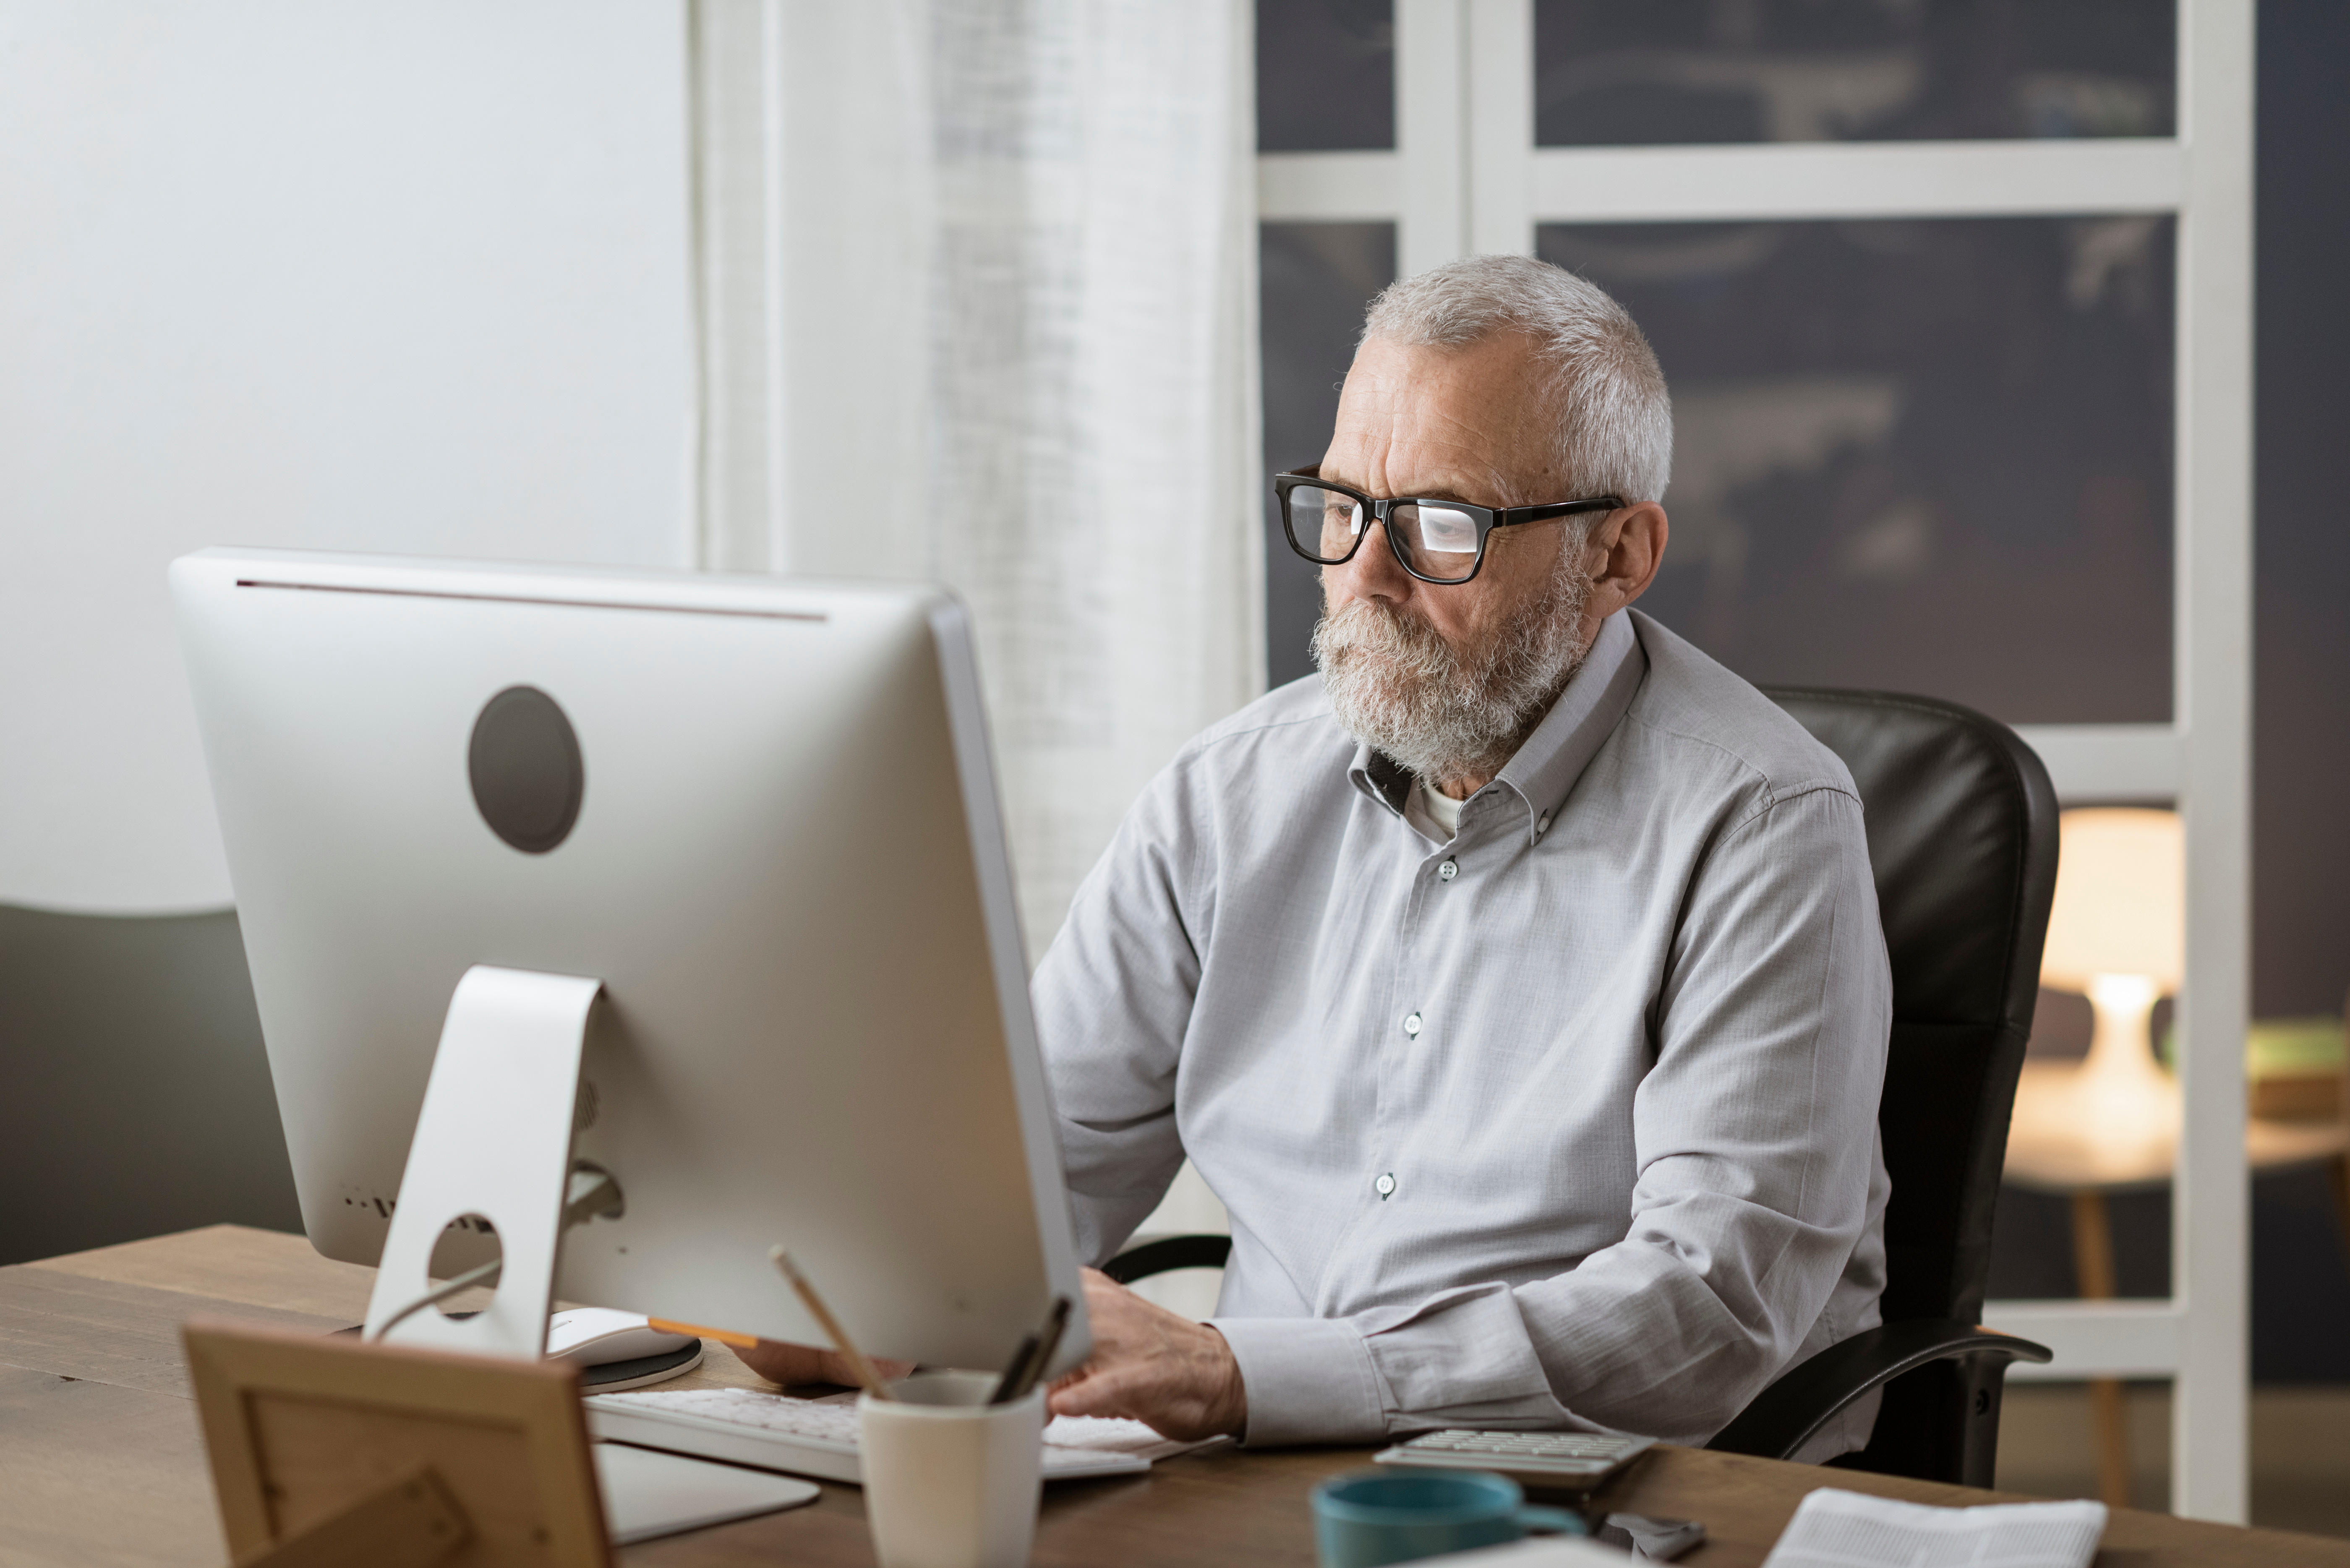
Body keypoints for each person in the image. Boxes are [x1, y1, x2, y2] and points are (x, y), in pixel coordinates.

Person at [743, 254, 1892, 1461]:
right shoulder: (1227, 793)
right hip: (1256, 1478)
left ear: (1618, 555)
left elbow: (1705, 1312)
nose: (1364, 578)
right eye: (1343, 506)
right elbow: (1021, 1184)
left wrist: (1244, 1373)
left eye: (1442, 523)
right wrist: (855, 1287)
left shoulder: (1766, 822)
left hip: (1605, 1492)